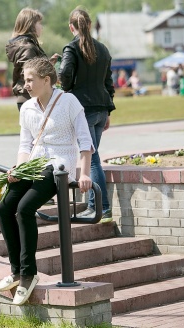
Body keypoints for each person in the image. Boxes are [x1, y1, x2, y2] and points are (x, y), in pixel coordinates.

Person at [0, 57, 93, 305]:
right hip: (32, 165)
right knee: (4, 206)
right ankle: (16, 271)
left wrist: (84, 173)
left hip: (59, 166)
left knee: (24, 208)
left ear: (46, 80)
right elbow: (25, 144)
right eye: (24, 80)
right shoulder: (27, 107)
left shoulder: (69, 102)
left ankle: (29, 275)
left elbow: (85, 141)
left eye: (30, 80)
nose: (25, 84)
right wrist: (18, 166)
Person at [58, 6, 115, 222]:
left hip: (84, 110)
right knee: (93, 156)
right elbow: (108, 83)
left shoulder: (71, 48)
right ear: (89, 25)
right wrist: (108, 111)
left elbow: (64, 74)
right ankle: (96, 206)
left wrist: (67, 89)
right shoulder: (103, 48)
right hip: (101, 108)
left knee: (92, 159)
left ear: (71, 27)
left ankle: (101, 208)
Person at [6, 7, 48, 111]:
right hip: (31, 98)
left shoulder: (26, 45)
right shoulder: (27, 47)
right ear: (31, 25)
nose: (41, 27)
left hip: (28, 97)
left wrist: (49, 63)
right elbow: (30, 74)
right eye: (39, 23)